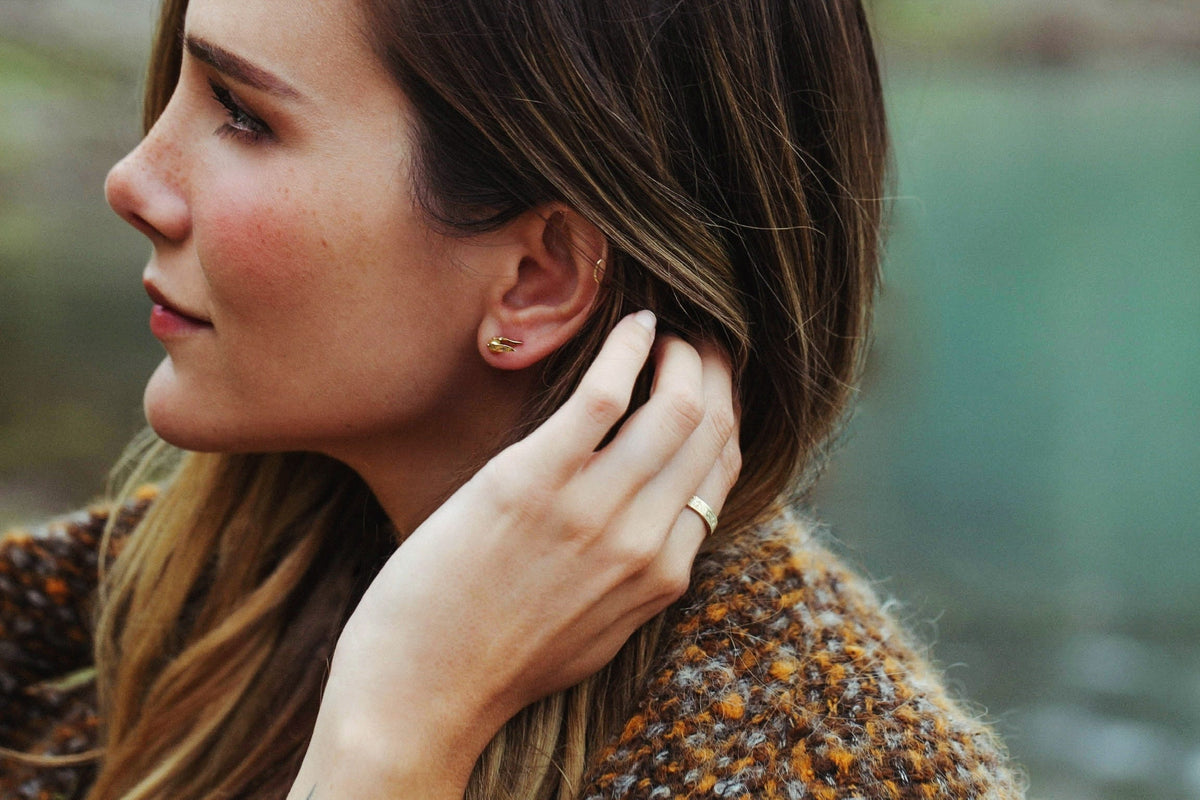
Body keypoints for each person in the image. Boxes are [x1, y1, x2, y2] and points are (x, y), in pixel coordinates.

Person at [0, 0, 1026, 798]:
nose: (132, 177)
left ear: (537, 279)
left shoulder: (835, 761)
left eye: (243, 115)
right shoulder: (157, 607)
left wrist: (394, 737)